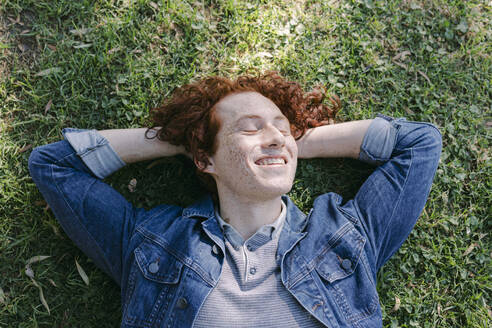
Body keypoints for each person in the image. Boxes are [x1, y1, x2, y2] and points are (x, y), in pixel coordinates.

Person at [28, 71, 442, 328]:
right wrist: (181, 142)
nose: (276, 134)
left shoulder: (345, 236)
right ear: (205, 159)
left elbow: (420, 143)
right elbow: (53, 165)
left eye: (282, 127)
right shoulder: (153, 241)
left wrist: (291, 143)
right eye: (250, 127)